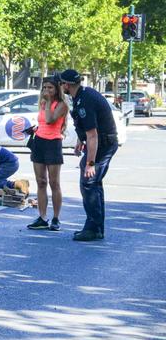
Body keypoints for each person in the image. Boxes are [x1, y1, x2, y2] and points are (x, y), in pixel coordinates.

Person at [58, 68, 118, 241]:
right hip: (102, 143)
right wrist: (79, 140)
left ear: (67, 85)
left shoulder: (85, 100)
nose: (60, 86)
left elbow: (93, 134)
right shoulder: (81, 96)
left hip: (104, 145)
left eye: (62, 83)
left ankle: (93, 228)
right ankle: (96, 227)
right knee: (93, 184)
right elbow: (85, 127)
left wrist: (91, 163)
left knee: (88, 182)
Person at [28, 75, 67, 231]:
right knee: (41, 181)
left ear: (57, 89)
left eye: (50, 87)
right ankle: (42, 217)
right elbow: (43, 122)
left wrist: (49, 101)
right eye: (44, 88)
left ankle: (56, 218)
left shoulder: (61, 104)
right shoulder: (43, 103)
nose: (46, 90)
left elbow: (51, 120)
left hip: (53, 143)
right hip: (39, 142)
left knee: (54, 182)